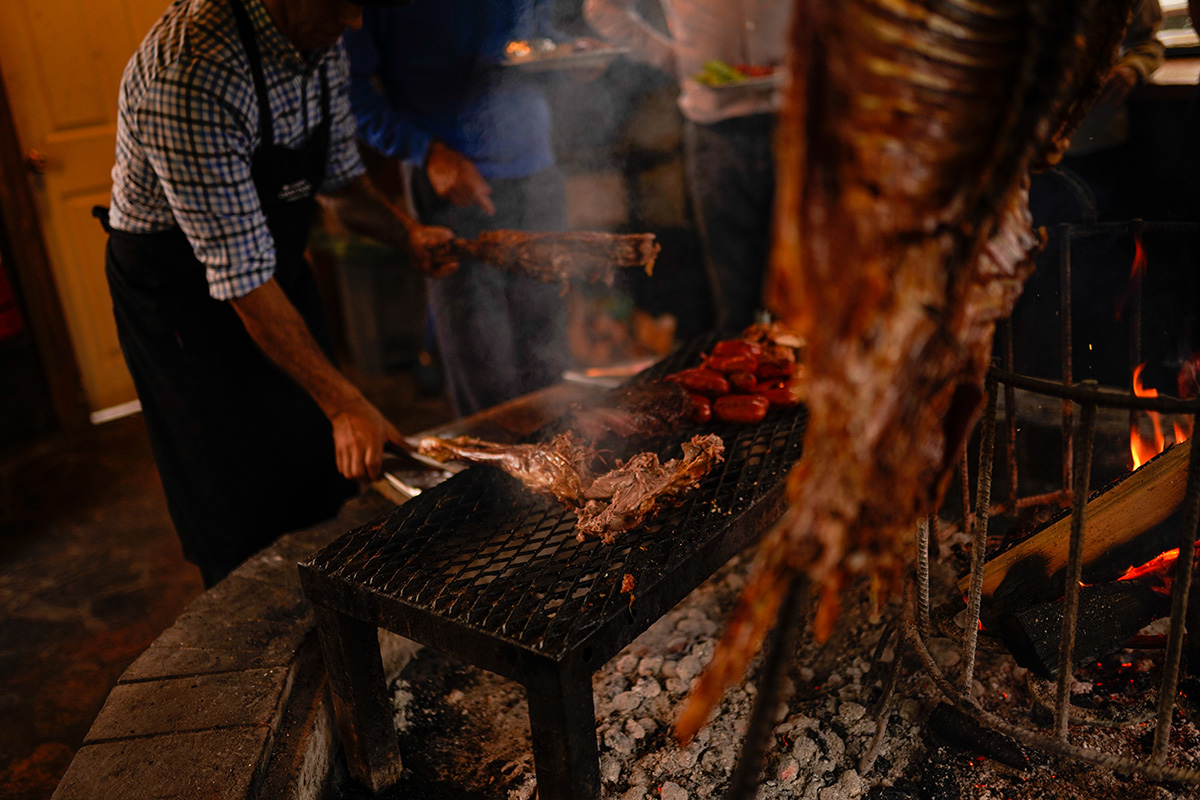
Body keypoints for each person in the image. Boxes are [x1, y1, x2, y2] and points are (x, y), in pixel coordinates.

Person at [102, 0, 457, 587]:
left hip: (271, 271)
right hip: (181, 304)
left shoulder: (322, 36)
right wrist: (345, 403)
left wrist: (407, 234)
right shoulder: (190, 74)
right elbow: (241, 277)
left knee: (320, 468)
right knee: (235, 500)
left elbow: (341, 187)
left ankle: (336, 611)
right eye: (342, 4)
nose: (355, 22)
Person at [343, 1, 575, 417]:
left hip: (537, 170)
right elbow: (348, 87)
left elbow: (537, 41)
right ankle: (492, 478)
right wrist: (426, 152)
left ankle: (562, 471)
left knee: (549, 352)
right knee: (485, 368)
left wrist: (572, 56)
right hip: (451, 186)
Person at [583, 0, 790, 333]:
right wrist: (666, 55)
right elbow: (603, 7)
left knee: (805, 282)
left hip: (796, 121)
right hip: (715, 130)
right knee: (734, 292)